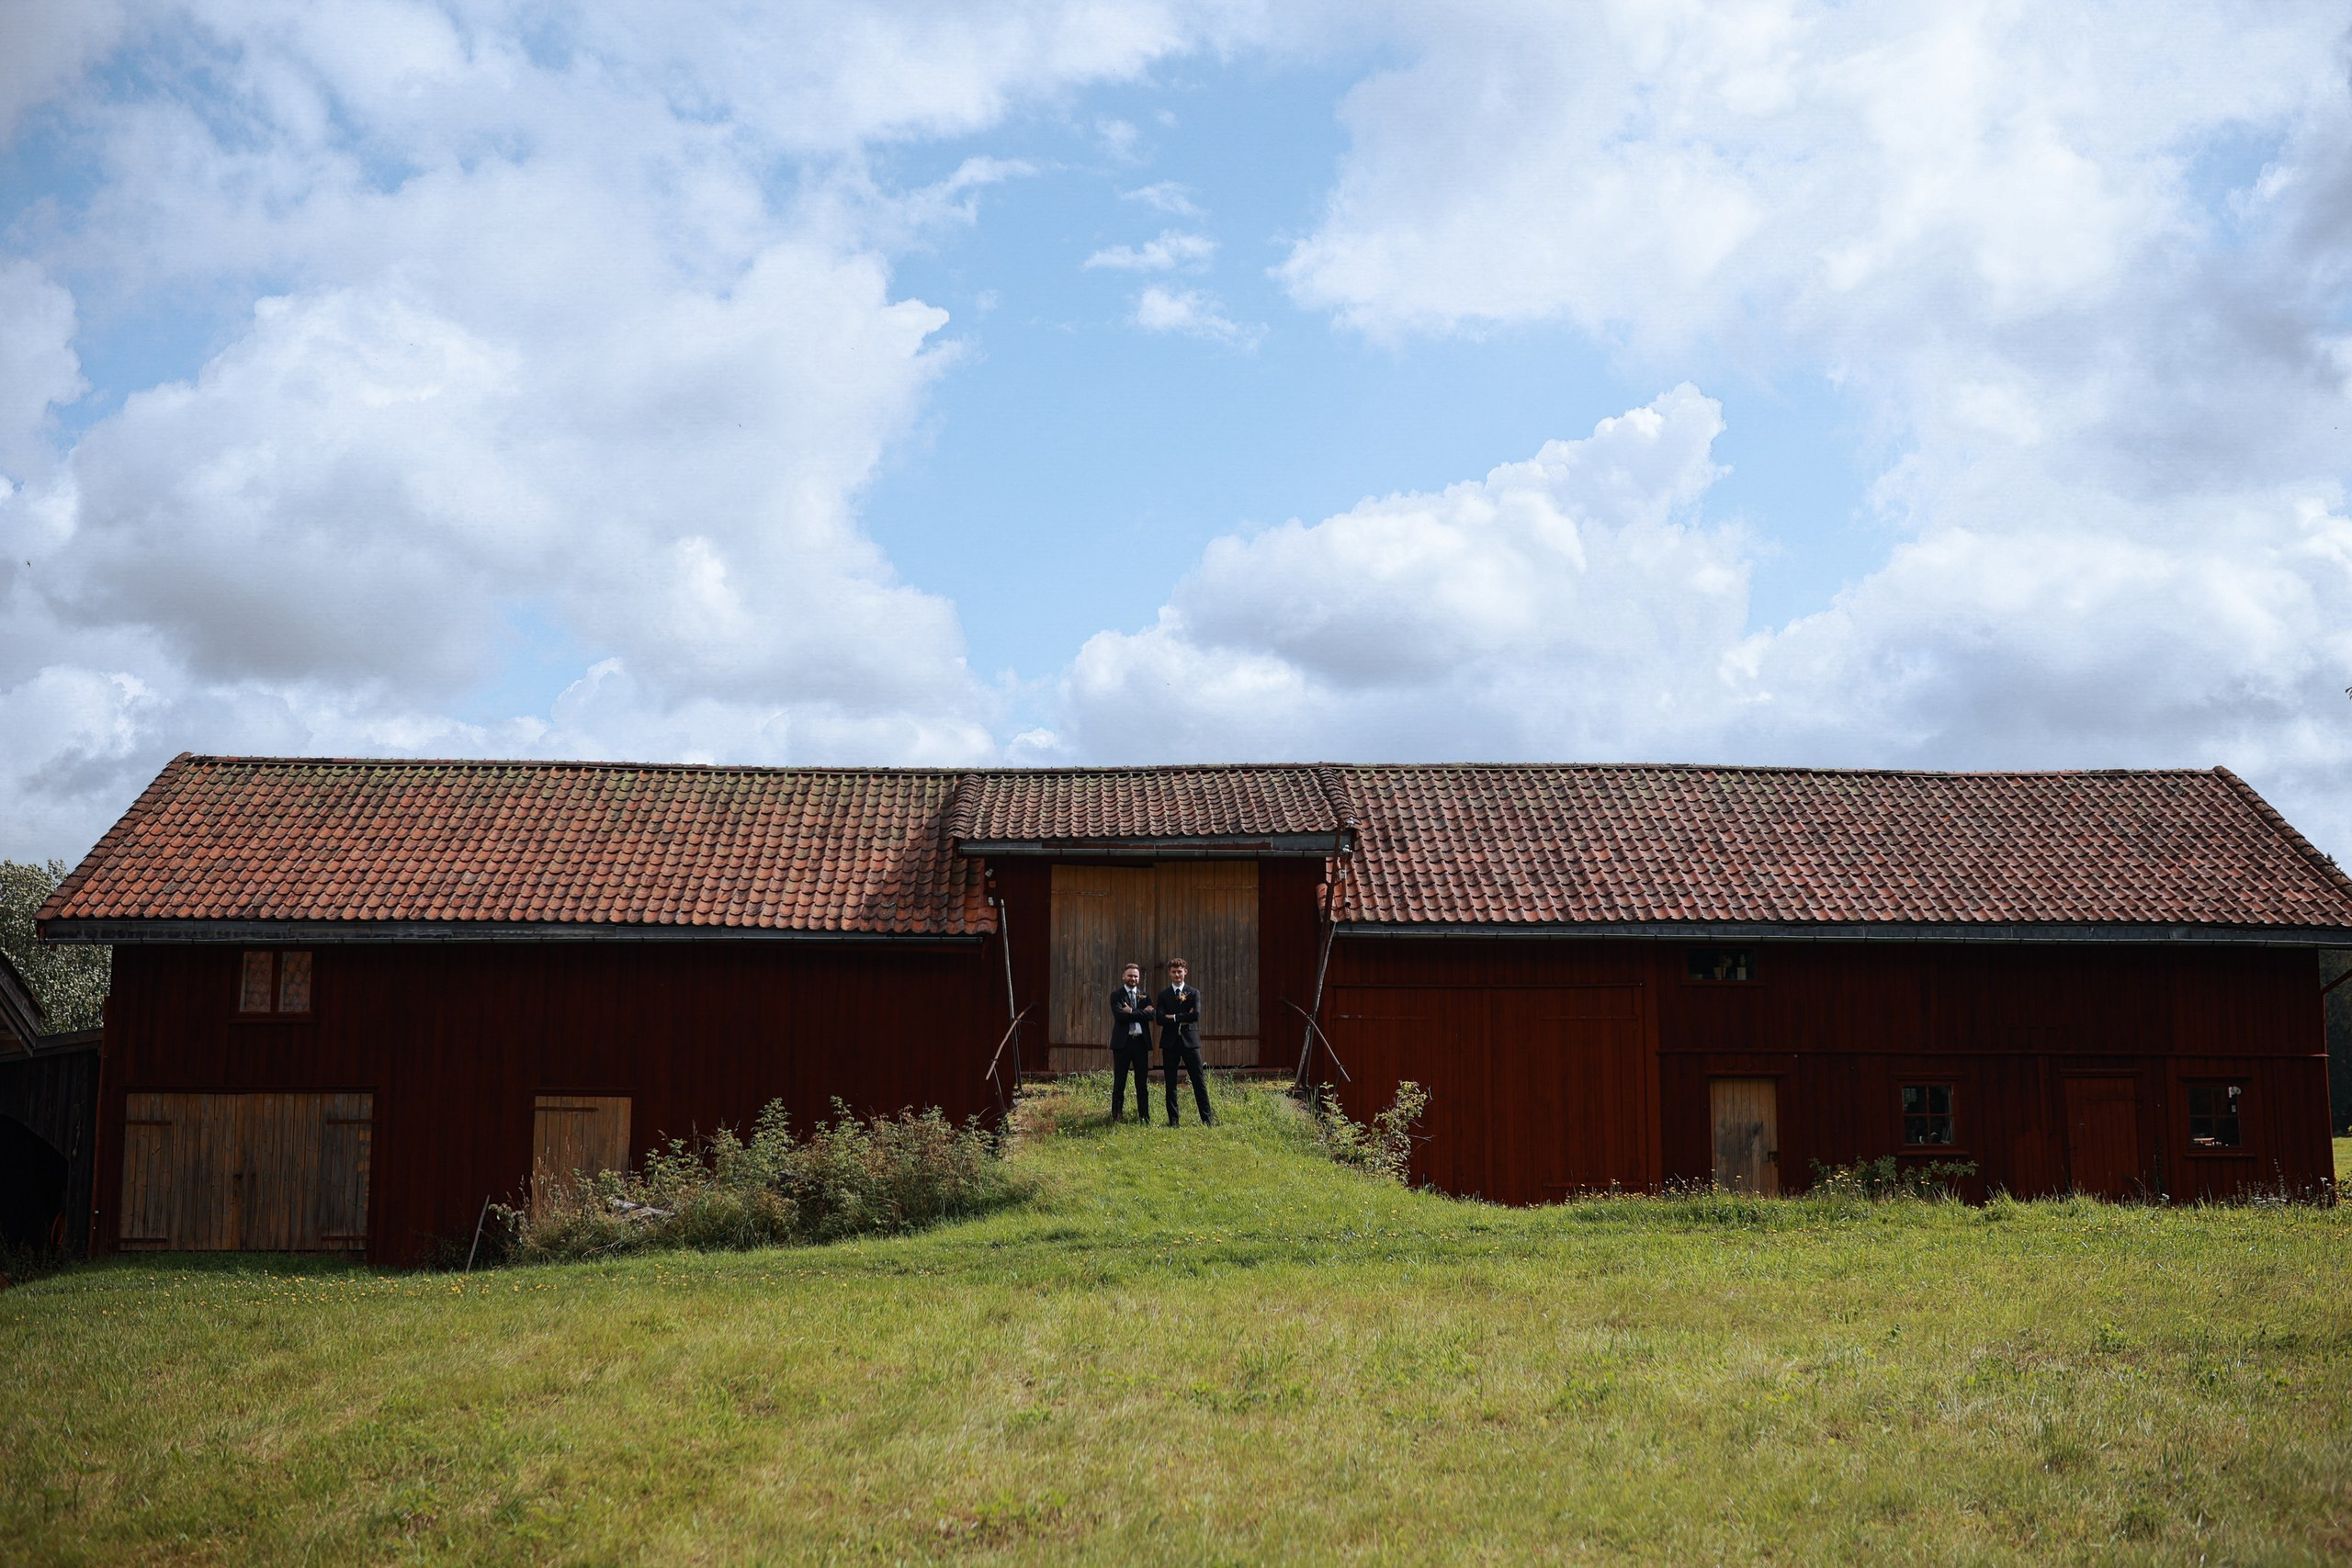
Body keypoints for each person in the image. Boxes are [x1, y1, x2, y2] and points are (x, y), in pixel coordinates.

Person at [1156, 957, 1214, 1127]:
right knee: (1170, 1083)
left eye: (1179, 972)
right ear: (1169, 973)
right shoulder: (1164, 995)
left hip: (1190, 1042)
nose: (1176, 975)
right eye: (1173, 972)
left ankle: (1207, 1120)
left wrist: (1172, 1017)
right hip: (1170, 1043)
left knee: (1198, 1081)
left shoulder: (1193, 993)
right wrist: (1182, 1017)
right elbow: (1159, 1019)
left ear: (1185, 972)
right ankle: (1173, 1122)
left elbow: (1195, 1016)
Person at [1108, 961, 1156, 1124]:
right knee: (1119, 1080)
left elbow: (1152, 1016)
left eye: (1135, 976)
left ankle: (1144, 1117)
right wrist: (1141, 1013)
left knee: (1141, 1082)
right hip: (1123, 1043)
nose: (1133, 978)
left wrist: (1132, 1011)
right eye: (1130, 976)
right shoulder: (1117, 995)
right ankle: (1116, 1115)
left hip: (1141, 1044)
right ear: (1124, 976)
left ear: (1139, 978)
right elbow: (1120, 1016)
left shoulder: (1145, 996)